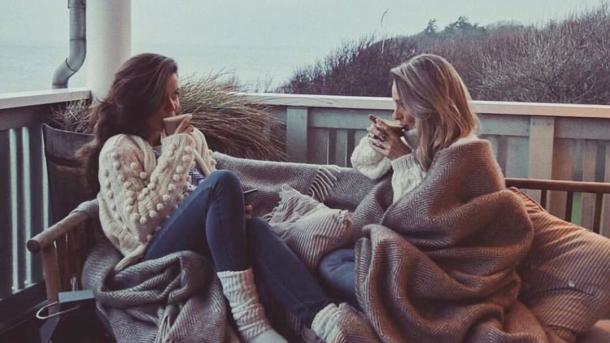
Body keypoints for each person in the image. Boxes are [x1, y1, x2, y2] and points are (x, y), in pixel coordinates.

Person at [77, 53, 332, 343]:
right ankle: (252, 322)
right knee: (221, 182)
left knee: (256, 228)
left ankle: (326, 321)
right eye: (163, 100)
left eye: (176, 96)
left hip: (198, 240)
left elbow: (203, 198)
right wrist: (174, 150)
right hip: (154, 254)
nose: (173, 107)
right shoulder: (120, 148)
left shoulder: (192, 137)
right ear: (141, 102)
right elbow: (140, 226)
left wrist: (231, 216)